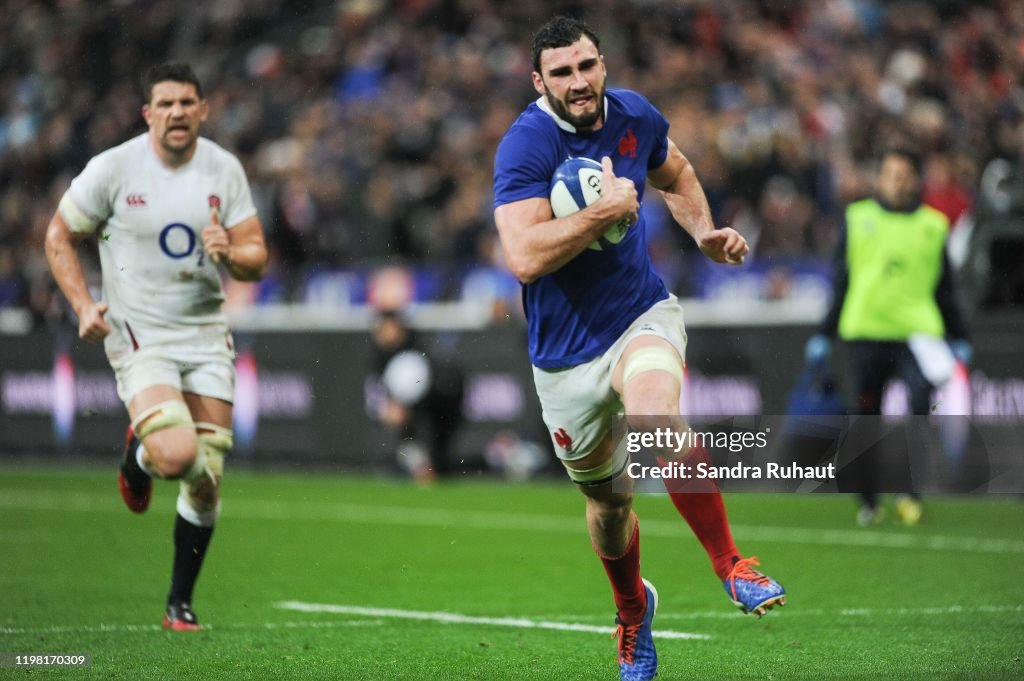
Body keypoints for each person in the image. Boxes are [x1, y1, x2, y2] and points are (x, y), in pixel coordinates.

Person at [493, 17, 785, 681]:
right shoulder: (525, 146)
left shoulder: (634, 116)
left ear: (603, 63)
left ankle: (732, 563)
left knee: (657, 415)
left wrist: (704, 230)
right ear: (539, 82)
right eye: (561, 72)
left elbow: (675, 172)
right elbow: (523, 255)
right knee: (609, 505)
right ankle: (632, 609)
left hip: (639, 314)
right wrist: (605, 210)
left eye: (587, 65)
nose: (579, 81)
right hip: (565, 354)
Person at [44, 63, 267, 631]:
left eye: (187, 103)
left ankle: (178, 604)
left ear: (203, 110)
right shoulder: (114, 169)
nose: (177, 113)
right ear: (148, 113)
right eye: (165, 104)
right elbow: (59, 235)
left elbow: (256, 257)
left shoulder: (224, 169)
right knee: (177, 456)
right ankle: (138, 457)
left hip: (205, 332)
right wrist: (82, 305)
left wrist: (231, 254)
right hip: (141, 335)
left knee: (207, 475)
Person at [806, 147, 971, 526]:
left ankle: (910, 493)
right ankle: (868, 498)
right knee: (866, 415)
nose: (898, 180)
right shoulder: (858, 217)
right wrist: (824, 333)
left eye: (905, 174)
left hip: (918, 336)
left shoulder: (933, 225)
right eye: (891, 173)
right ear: (880, 178)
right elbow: (841, 280)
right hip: (865, 331)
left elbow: (945, 287)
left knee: (917, 409)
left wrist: (958, 334)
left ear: (915, 179)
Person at [368, 308, 464, 482]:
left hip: (434, 406)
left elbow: (423, 381)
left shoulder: (415, 348)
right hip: (408, 413)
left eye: (387, 328)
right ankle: (412, 461)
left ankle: (425, 463)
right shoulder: (379, 355)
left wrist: (403, 406)